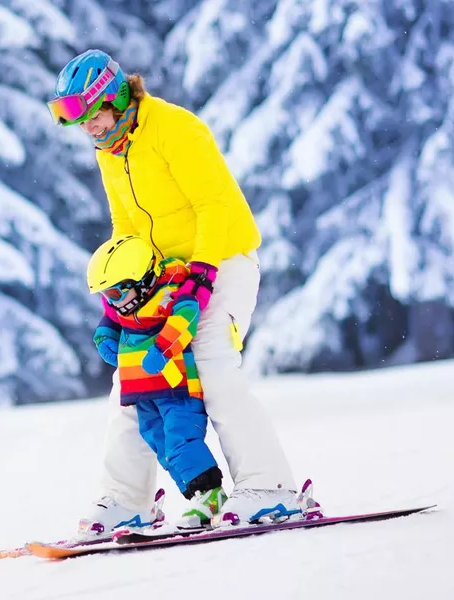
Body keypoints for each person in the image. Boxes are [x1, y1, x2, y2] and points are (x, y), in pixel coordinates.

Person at [47, 48, 301, 532]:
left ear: (115, 98)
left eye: (88, 113)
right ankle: (127, 500)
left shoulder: (175, 129)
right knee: (132, 379)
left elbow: (213, 205)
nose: (87, 128)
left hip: (222, 261)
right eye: (73, 119)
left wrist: (203, 272)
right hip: (161, 280)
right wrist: (121, 296)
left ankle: (270, 488)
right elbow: (125, 224)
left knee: (211, 363)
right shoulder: (110, 151)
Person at [85, 235, 228, 532]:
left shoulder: (169, 293)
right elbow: (108, 323)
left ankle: (211, 494)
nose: (109, 301)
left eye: (112, 292)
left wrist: (163, 348)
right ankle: (197, 495)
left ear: (137, 280)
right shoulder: (124, 307)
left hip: (175, 390)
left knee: (181, 441)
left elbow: (186, 317)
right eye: (104, 295)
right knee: (162, 446)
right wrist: (104, 339)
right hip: (142, 393)